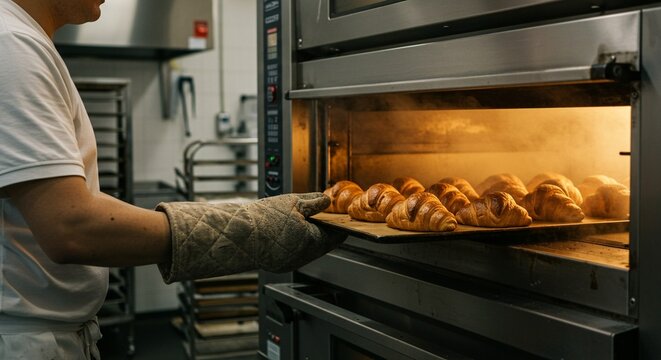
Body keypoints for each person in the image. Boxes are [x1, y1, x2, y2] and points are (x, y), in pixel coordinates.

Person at [0, 0, 345, 358]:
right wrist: (253, 230)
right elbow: (70, 228)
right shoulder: (13, 44)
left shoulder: (21, 40)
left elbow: (76, 206)